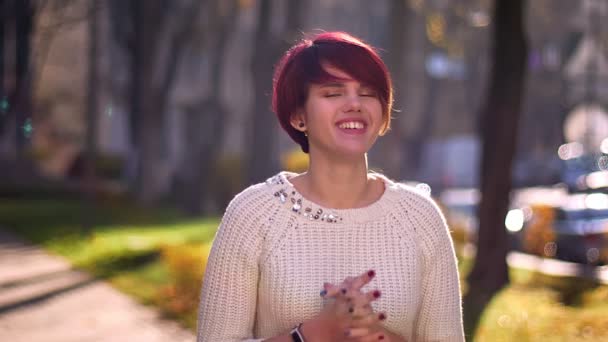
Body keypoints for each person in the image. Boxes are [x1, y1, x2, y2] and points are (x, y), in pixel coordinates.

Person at [197, 31, 464, 342]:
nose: (354, 104)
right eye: (333, 93)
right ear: (299, 116)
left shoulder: (420, 218)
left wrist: (380, 337)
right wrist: (311, 335)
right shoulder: (254, 214)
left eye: (367, 93)